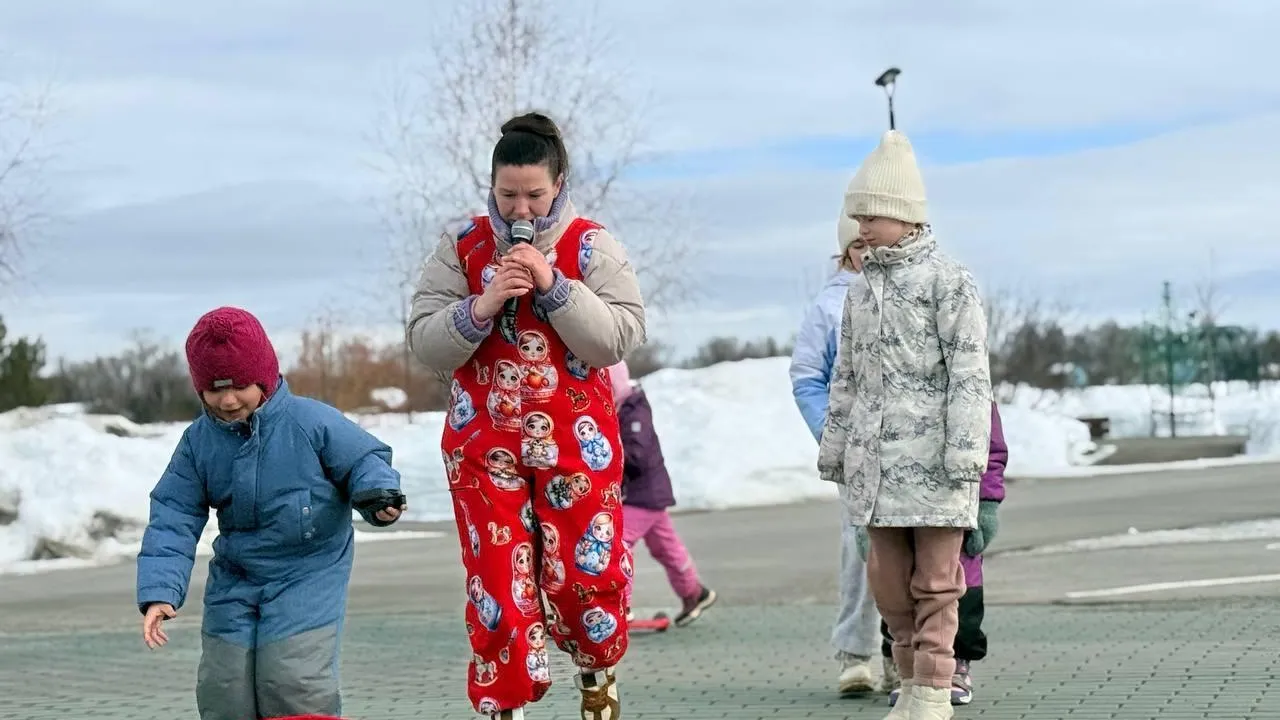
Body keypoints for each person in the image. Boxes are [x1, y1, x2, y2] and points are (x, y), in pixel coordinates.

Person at [406, 111, 646, 720]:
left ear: (559, 183)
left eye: (535, 195)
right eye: (508, 194)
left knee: (581, 577)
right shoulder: (461, 247)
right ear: (491, 185)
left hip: (574, 444)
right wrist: (481, 306)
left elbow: (619, 337)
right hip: (483, 444)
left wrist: (555, 286)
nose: (522, 209)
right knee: (497, 584)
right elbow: (425, 341)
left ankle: (597, 678)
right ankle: (503, 704)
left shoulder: (591, 245)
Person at [136, 306, 406, 720]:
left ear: (264, 375)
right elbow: (174, 512)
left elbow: (362, 459)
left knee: (291, 679)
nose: (227, 400)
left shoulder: (310, 421)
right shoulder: (199, 442)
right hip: (237, 576)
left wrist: (376, 494)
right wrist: (160, 590)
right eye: (213, 389)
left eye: (239, 385)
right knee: (224, 685)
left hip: (307, 571)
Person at [817, 129, 993, 720]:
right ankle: (911, 682)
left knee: (938, 584)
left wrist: (967, 455)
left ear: (904, 216)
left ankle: (935, 691)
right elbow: (846, 377)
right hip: (877, 471)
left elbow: (971, 375)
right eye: (856, 216)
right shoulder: (860, 292)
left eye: (872, 215)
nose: (861, 227)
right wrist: (836, 448)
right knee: (888, 586)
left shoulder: (950, 281)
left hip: (938, 466)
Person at [788, 217, 883, 695]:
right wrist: (833, 433)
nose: (867, 254)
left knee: (917, 549)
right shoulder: (830, 305)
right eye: (857, 247)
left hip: (909, 442)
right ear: (846, 252)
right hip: (856, 450)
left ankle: (907, 651)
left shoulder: (913, 292)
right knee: (861, 547)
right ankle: (855, 651)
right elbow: (807, 375)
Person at [879, 402, 1008, 708]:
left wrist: (987, 504)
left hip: (955, 504)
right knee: (898, 593)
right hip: (898, 507)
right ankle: (908, 671)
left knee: (958, 594)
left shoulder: (971, 387)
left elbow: (992, 451)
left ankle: (957, 665)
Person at [608, 360, 717, 627]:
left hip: (643, 493)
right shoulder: (621, 408)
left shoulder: (634, 411)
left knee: (619, 542)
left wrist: (607, 460)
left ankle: (621, 606)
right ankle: (694, 592)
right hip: (644, 493)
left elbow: (638, 456)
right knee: (665, 547)